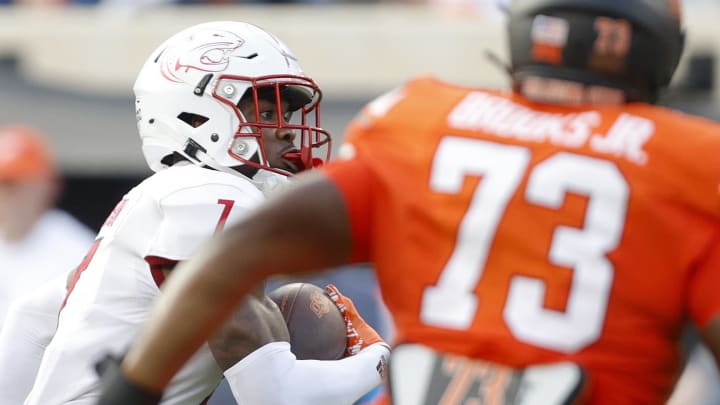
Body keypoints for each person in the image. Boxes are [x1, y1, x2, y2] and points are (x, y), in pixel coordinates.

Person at [95, 1, 720, 404]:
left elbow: (238, 253)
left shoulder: (423, 120)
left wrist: (128, 390)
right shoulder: (693, 160)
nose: (283, 125)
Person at [23, 21, 388, 405]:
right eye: (265, 110)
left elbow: (30, 319)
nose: (287, 132)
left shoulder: (167, 194)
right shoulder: (215, 194)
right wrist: (378, 358)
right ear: (195, 118)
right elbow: (274, 396)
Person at [0, 124, 94, 331]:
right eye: (4, 184)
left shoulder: (78, 249)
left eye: (18, 184)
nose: (9, 196)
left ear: (48, 186)